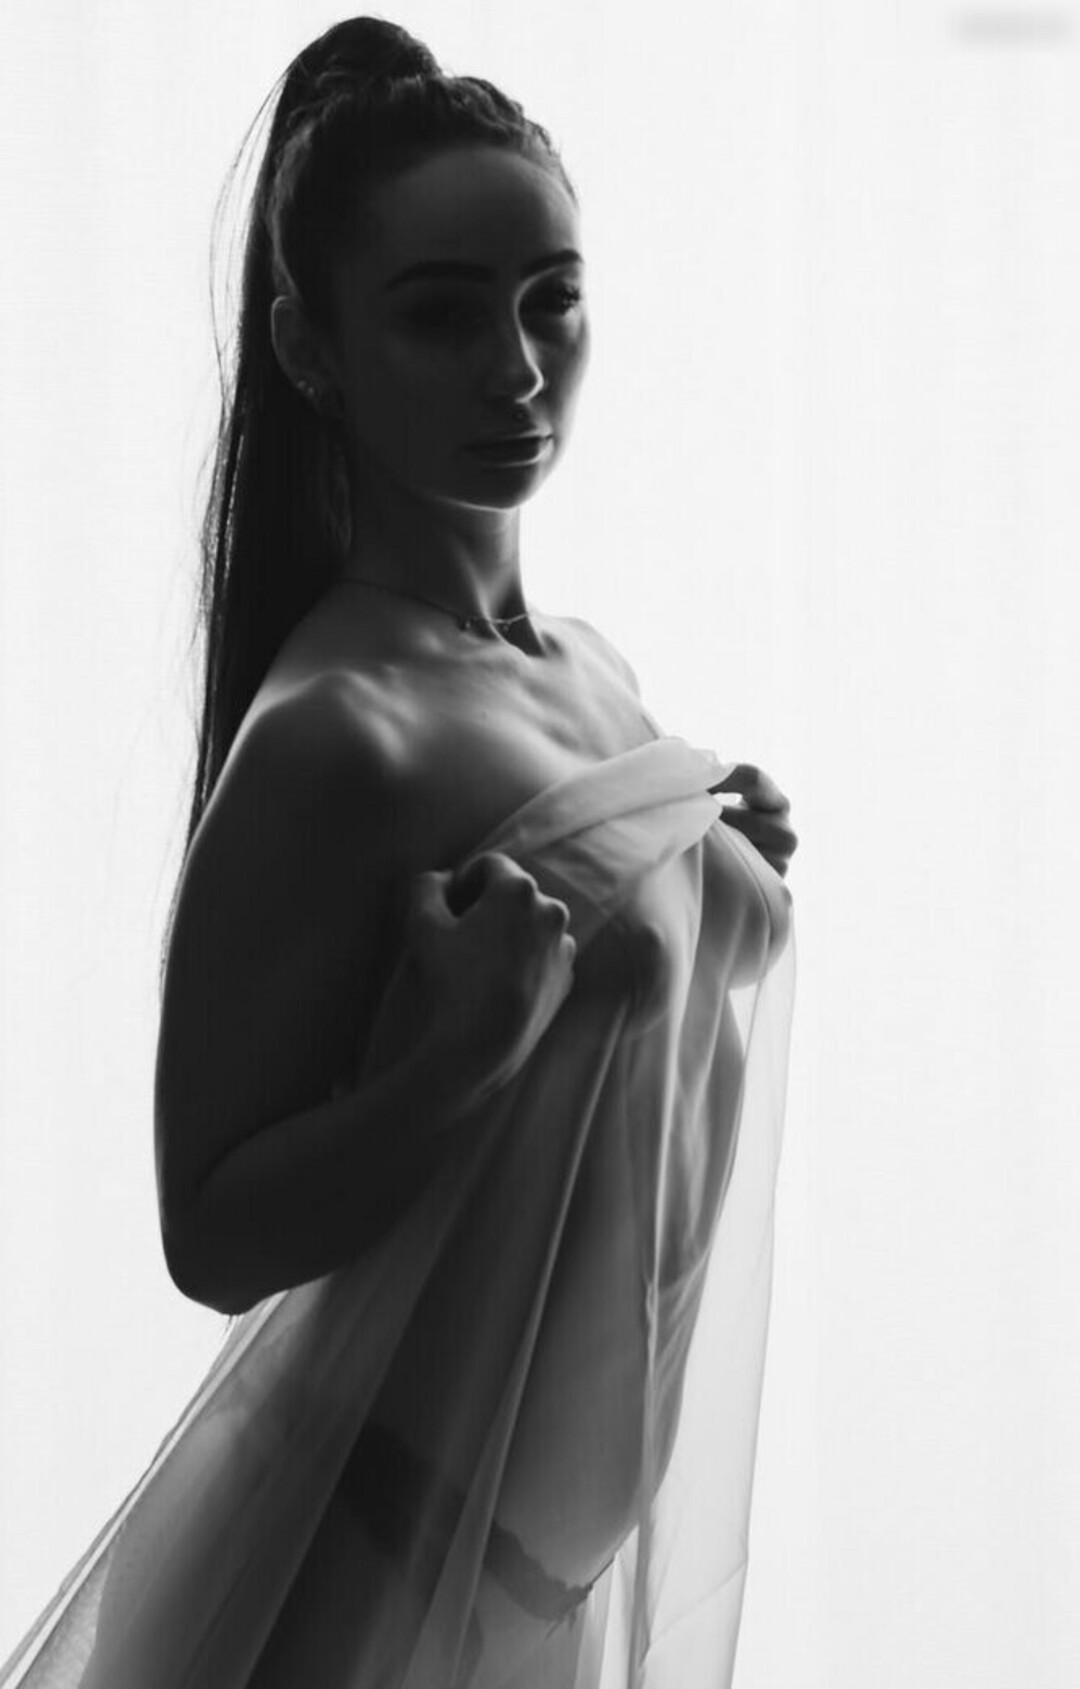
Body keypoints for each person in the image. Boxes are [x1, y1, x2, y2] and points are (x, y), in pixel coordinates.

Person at [0, 17, 798, 1689]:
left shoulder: (592, 671)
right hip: (348, 1591)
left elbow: (626, 1049)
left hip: (525, 1602)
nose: (517, 368)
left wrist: (722, 875)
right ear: (312, 346)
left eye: (551, 299)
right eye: (441, 314)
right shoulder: (336, 734)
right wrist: (456, 1061)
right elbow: (211, 1235)